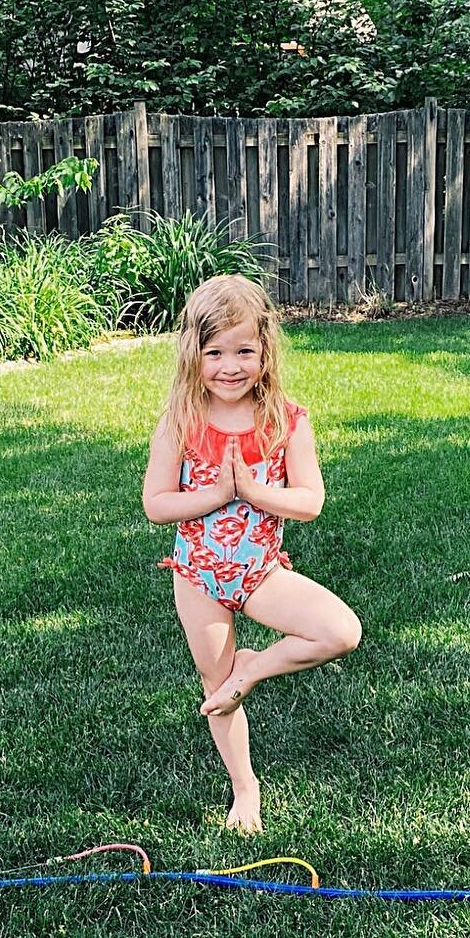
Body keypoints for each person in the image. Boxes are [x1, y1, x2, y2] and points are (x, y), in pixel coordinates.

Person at [142, 273, 362, 834]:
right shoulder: (181, 422)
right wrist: (215, 495)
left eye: (244, 350)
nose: (230, 366)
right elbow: (156, 504)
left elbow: (309, 501)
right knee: (214, 690)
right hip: (198, 576)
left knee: (340, 632)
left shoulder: (286, 421)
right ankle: (245, 788)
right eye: (215, 352)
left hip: (261, 572)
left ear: (265, 349)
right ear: (194, 354)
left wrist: (252, 491)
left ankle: (253, 669)